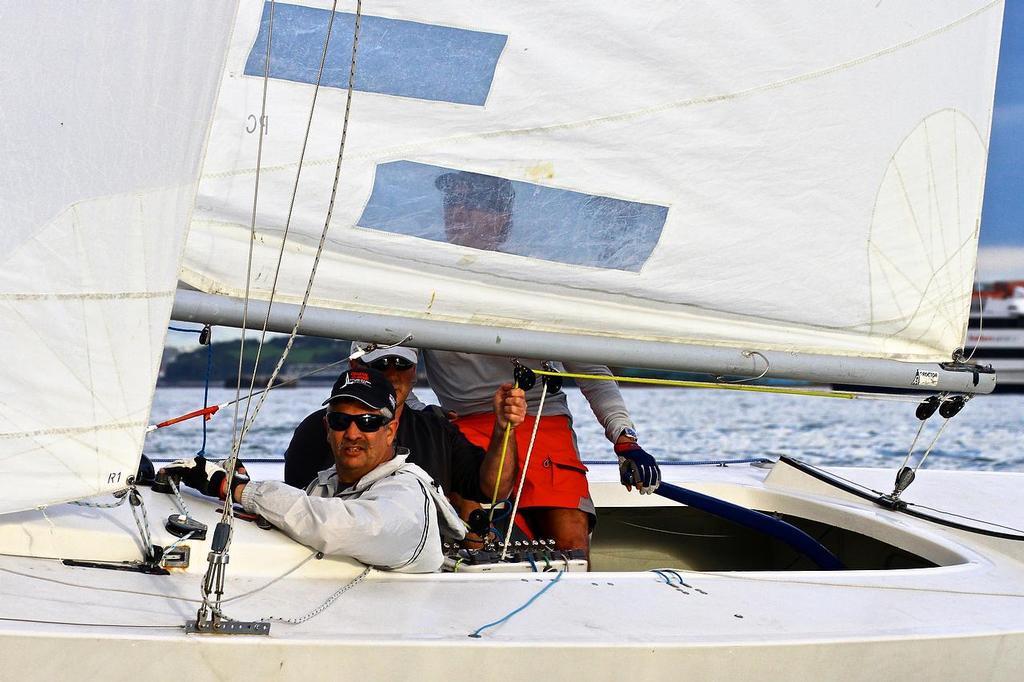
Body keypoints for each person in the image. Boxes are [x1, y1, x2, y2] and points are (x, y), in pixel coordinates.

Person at [429, 170, 661, 555]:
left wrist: (624, 437)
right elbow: (389, 366)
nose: (459, 212)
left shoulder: (535, 282)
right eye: (453, 202)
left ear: (503, 220)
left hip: (541, 421)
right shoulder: (412, 280)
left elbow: (589, 368)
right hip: (466, 427)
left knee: (570, 542)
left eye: (475, 205)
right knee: (472, 540)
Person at [162, 367, 465, 572]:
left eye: (369, 422)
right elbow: (304, 519)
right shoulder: (326, 486)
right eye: (340, 421)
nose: (353, 433)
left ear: (391, 430)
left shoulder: (408, 495)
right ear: (327, 428)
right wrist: (242, 486)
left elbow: (340, 527)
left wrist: (236, 488)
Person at [284, 343, 526, 510]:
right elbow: (299, 505)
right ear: (354, 366)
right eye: (380, 364)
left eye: (401, 364)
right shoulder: (314, 431)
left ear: (414, 370)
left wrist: (504, 429)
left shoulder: (436, 430)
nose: (392, 375)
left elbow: (494, 490)